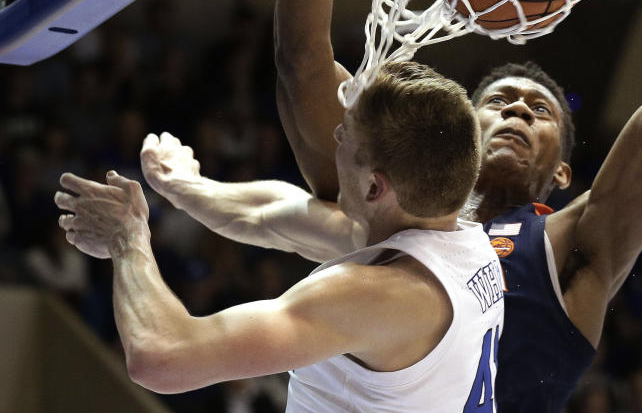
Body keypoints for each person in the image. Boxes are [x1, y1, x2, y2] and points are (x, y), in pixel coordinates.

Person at [141, 0, 642, 412]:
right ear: (460, 139)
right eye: (497, 102)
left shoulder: (573, 247)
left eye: (539, 110)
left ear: (563, 173)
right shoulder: (388, 202)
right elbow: (301, 63)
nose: (516, 108)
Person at [56, 61, 505, 411]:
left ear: (374, 187)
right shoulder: (459, 241)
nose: (334, 135)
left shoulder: (380, 296)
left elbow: (163, 356)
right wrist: (185, 186)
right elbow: (270, 214)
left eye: (344, 135)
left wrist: (127, 239)